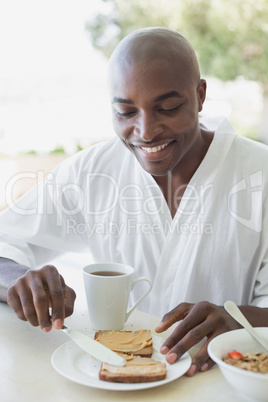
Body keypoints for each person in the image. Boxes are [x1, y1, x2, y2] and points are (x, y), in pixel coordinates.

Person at [0, 27, 268, 377]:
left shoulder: (258, 173)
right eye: (126, 112)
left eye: (168, 107)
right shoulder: (92, 171)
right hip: (118, 385)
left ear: (200, 95)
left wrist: (241, 318)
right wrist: (21, 280)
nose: (145, 131)